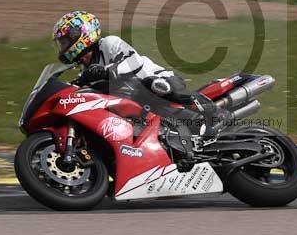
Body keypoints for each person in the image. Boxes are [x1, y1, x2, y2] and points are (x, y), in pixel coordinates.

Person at [51, 10, 226, 145]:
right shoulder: (85, 69)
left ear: (82, 35)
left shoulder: (109, 44)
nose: (63, 47)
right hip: (140, 102)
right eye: (62, 44)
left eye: (65, 42)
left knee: (154, 85)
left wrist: (107, 71)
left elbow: (134, 62)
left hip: (161, 80)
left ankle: (215, 113)